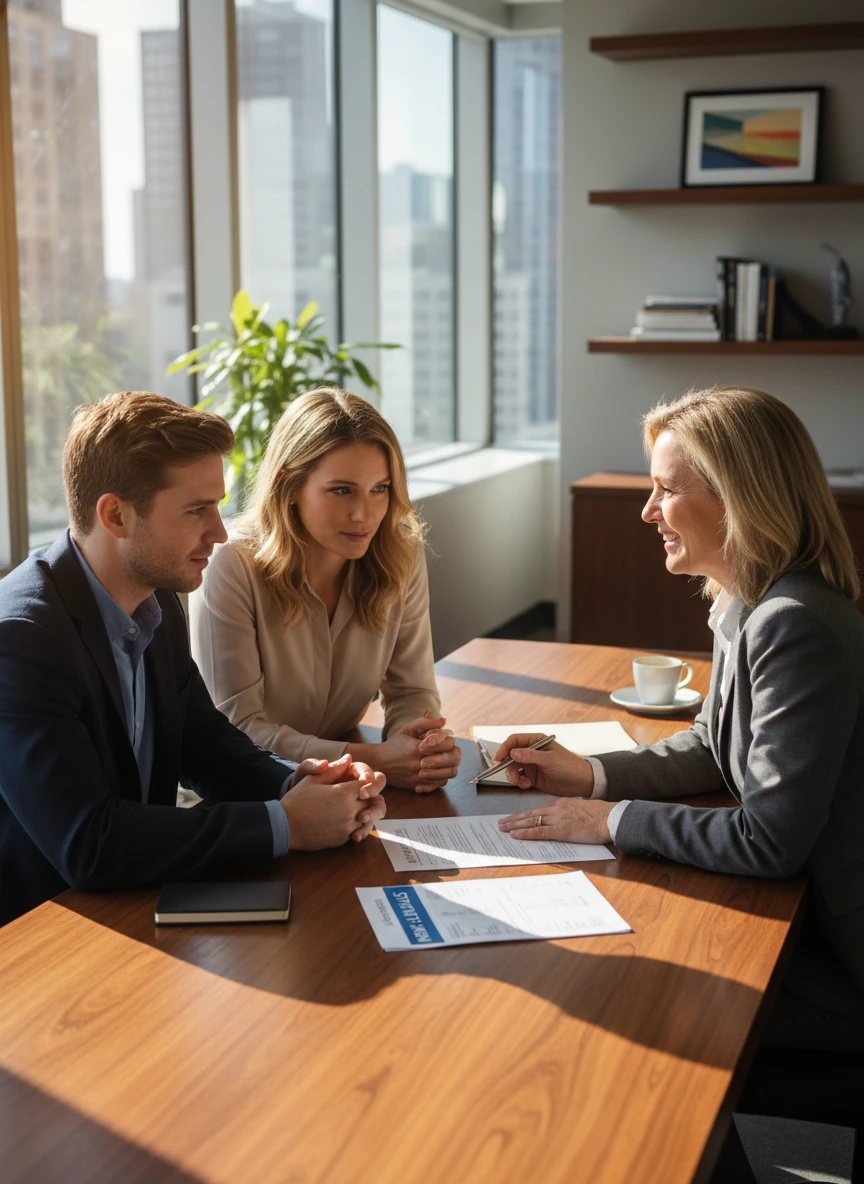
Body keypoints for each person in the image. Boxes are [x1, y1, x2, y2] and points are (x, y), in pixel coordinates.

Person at [496, 386, 864, 1049]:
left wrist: (608, 820)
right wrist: (588, 775)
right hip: (810, 920)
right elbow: (714, 744)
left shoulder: (795, 622)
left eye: (665, 490)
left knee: (630, 1002)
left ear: (738, 497)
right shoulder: (753, 600)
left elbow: (767, 842)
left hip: (840, 960)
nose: (646, 512)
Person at [0, 391, 387, 927]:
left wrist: (298, 783)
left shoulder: (154, 595)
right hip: (44, 935)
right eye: (196, 510)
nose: (220, 532)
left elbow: (201, 740)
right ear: (115, 515)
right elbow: (89, 843)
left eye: (218, 505)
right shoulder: (20, 640)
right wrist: (286, 825)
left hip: (133, 904)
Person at [191, 387, 461, 794]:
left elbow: (412, 689)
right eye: (342, 490)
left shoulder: (399, 553)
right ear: (290, 486)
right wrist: (370, 757)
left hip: (348, 791)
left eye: (380, 488)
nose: (363, 514)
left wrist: (420, 746)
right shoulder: (231, 565)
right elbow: (239, 731)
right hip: (245, 796)